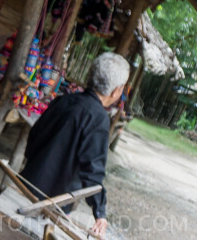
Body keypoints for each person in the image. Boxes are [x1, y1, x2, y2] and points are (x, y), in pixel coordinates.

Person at [20, 52, 131, 239]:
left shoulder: (63, 100)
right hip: (53, 204)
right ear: (116, 91)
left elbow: (33, 139)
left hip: (25, 185)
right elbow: (92, 173)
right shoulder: (98, 119)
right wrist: (100, 213)